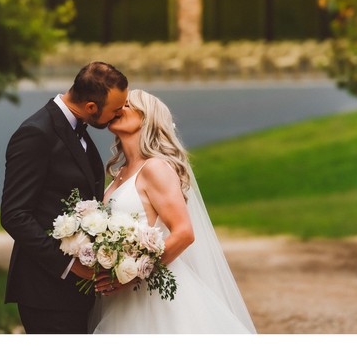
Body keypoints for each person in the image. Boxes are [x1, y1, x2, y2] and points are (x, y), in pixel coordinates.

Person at [90, 89, 257, 333]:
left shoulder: (155, 168)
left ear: (147, 118)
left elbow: (184, 232)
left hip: (152, 293)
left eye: (126, 105)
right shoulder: (121, 173)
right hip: (120, 295)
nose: (117, 109)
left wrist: (134, 274)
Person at [1, 61, 129, 334]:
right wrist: (70, 265)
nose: (118, 116)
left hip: (75, 294)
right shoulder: (36, 133)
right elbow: (14, 215)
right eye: (115, 110)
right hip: (46, 292)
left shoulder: (77, 128)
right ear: (91, 107)